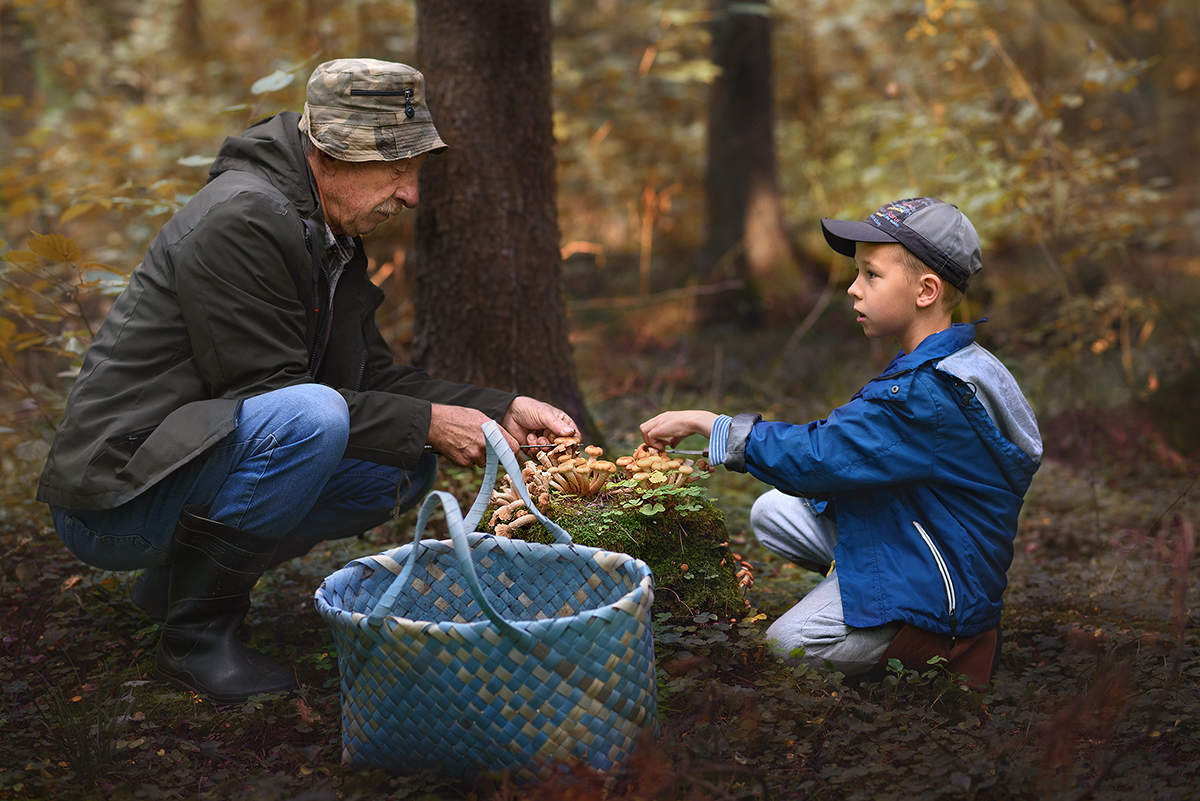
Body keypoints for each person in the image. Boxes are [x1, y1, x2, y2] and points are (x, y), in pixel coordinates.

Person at [36, 59, 576, 703]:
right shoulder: (243, 217)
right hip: (116, 496)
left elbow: (371, 377)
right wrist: (428, 422)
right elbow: (267, 393)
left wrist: (499, 410)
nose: (410, 194)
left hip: (181, 466)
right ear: (333, 154)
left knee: (397, 466)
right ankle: (197, 642)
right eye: (397, 169)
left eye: (413, 170)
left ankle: (176, 588)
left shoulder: (326, 230)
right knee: (314, 418)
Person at [640, 197, 1042, 686]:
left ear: (926, 291)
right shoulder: (955, 360)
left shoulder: (927, 394)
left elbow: (820, 455)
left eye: (871, 275)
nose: (853, 289)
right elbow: (850, 450)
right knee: (773, 512)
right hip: (920, 530)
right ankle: (862, 595)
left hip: (946, 583)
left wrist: (712, 424)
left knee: (786, 646)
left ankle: (939, 645)